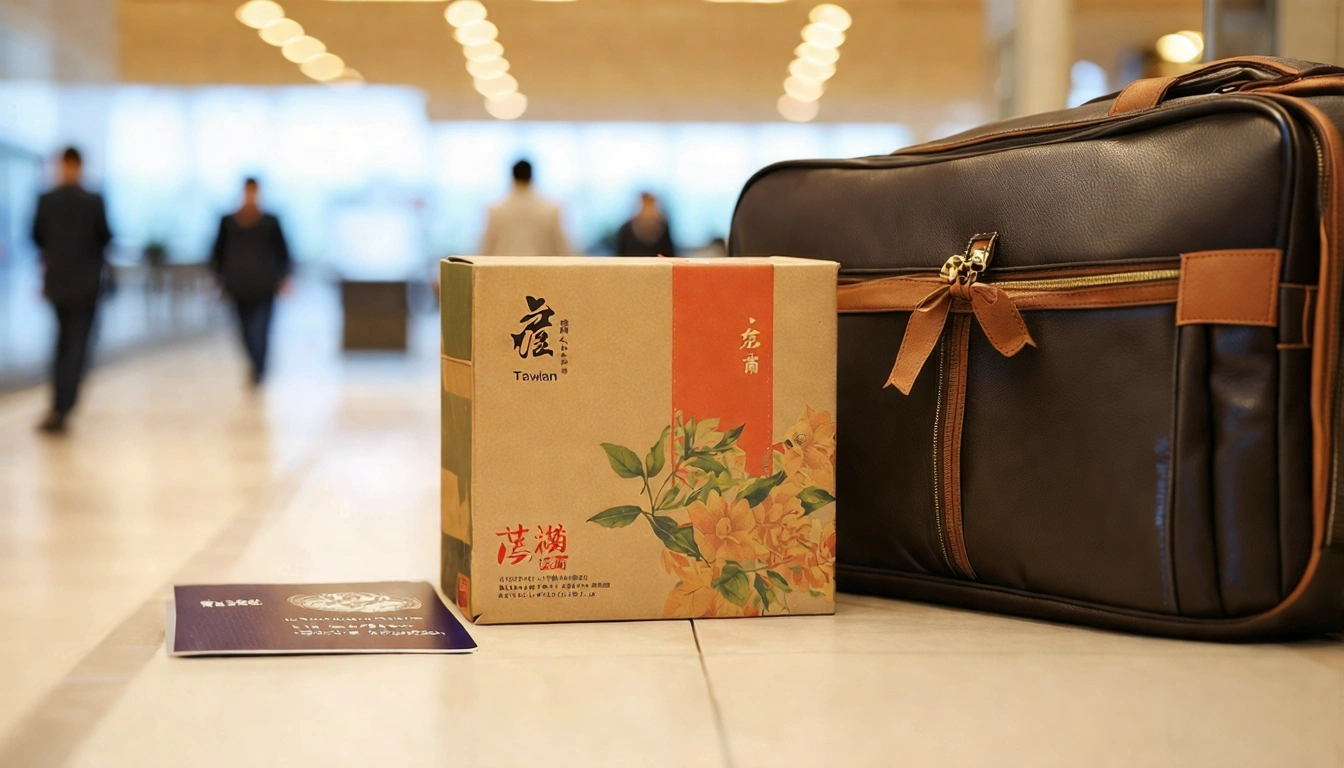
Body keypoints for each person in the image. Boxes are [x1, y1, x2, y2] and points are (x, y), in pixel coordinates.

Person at [31, 147, 112, 434]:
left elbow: (37, 238)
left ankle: (60, 406)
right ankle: (63, 405)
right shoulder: (92, 200)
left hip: (65, 283)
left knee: (66, 344)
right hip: (82, 284)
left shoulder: (48, 200)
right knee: (73, 346)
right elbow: (106, 237)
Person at [210, 178, 291, 387]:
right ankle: (256, 364)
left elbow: (283, 253)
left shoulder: (270, 222)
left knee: (261, 329)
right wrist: (216, 278)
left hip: (264, 284)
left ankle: (260, 367)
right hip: (237, 284)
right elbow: (217, 252)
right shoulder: (228, 221)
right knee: (243, 330)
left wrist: (284, 278)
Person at [479, 160, 570, 257]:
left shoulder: (495, 211)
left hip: (504, 270)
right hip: (541, 270)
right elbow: (563, 249)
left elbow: (485, 250)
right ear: (531, 176)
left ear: (512, 177)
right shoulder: (550, 209)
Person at [615, 192, 677, 257]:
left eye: (650, 204)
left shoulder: (664, 227)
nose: (648, 209)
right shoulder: (625, 229)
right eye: (645, 204)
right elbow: (619, 257)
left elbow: (670, 256)